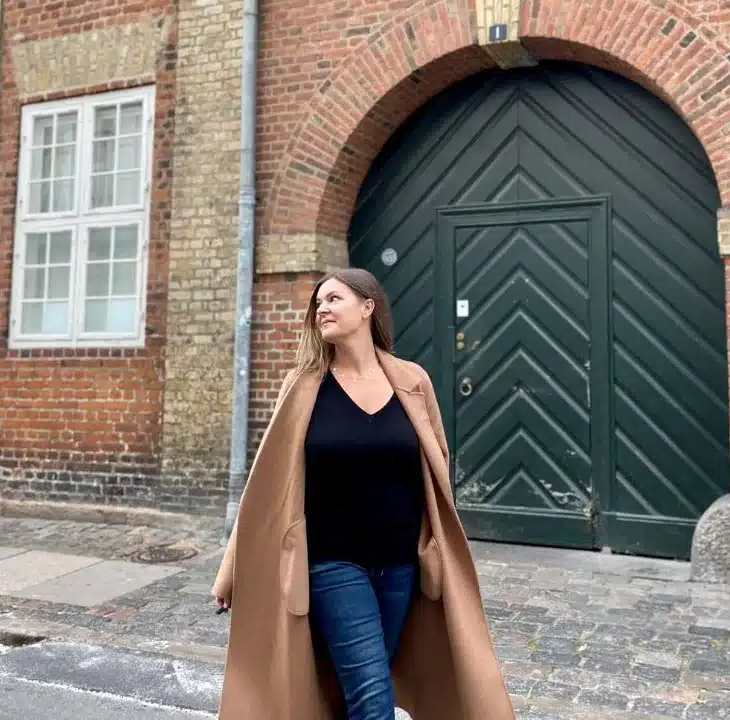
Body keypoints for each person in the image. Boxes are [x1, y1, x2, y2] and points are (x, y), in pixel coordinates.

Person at [212, 268, 516, 720]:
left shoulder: (413, 382)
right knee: (374, 700)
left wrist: (433, 544)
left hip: (400, 566)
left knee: (356, 687)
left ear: (367, 307)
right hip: (333, 564)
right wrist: (231, 568)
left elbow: (437, 473)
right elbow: (267, 487)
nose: (322, 309)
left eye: (334, 299)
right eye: (318, 303)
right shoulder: (302, 387)